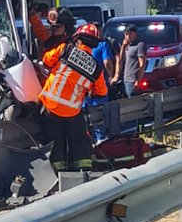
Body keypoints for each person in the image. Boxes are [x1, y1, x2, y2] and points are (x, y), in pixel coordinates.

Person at [39, 22, 108, 172]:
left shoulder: (66, 49)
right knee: (79, 141)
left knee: (54, 143)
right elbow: (101, 92)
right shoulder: (96, 68)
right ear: (95, 44)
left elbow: (46, 60)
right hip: (72, 112)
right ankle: (82, 172)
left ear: (77, 39)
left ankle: (57, 172)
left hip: (51, 107)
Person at [114, 24, 147, 96]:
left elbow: (142, 64)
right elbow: (121, 60)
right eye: (126, 34)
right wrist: (123, 47)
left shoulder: (140, 45)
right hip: (125, 78)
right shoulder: (127, 45)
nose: (128, 37)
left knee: (132, 101)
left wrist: (138, 81)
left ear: (135, 33)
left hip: (133, 79)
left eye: (130, 34)